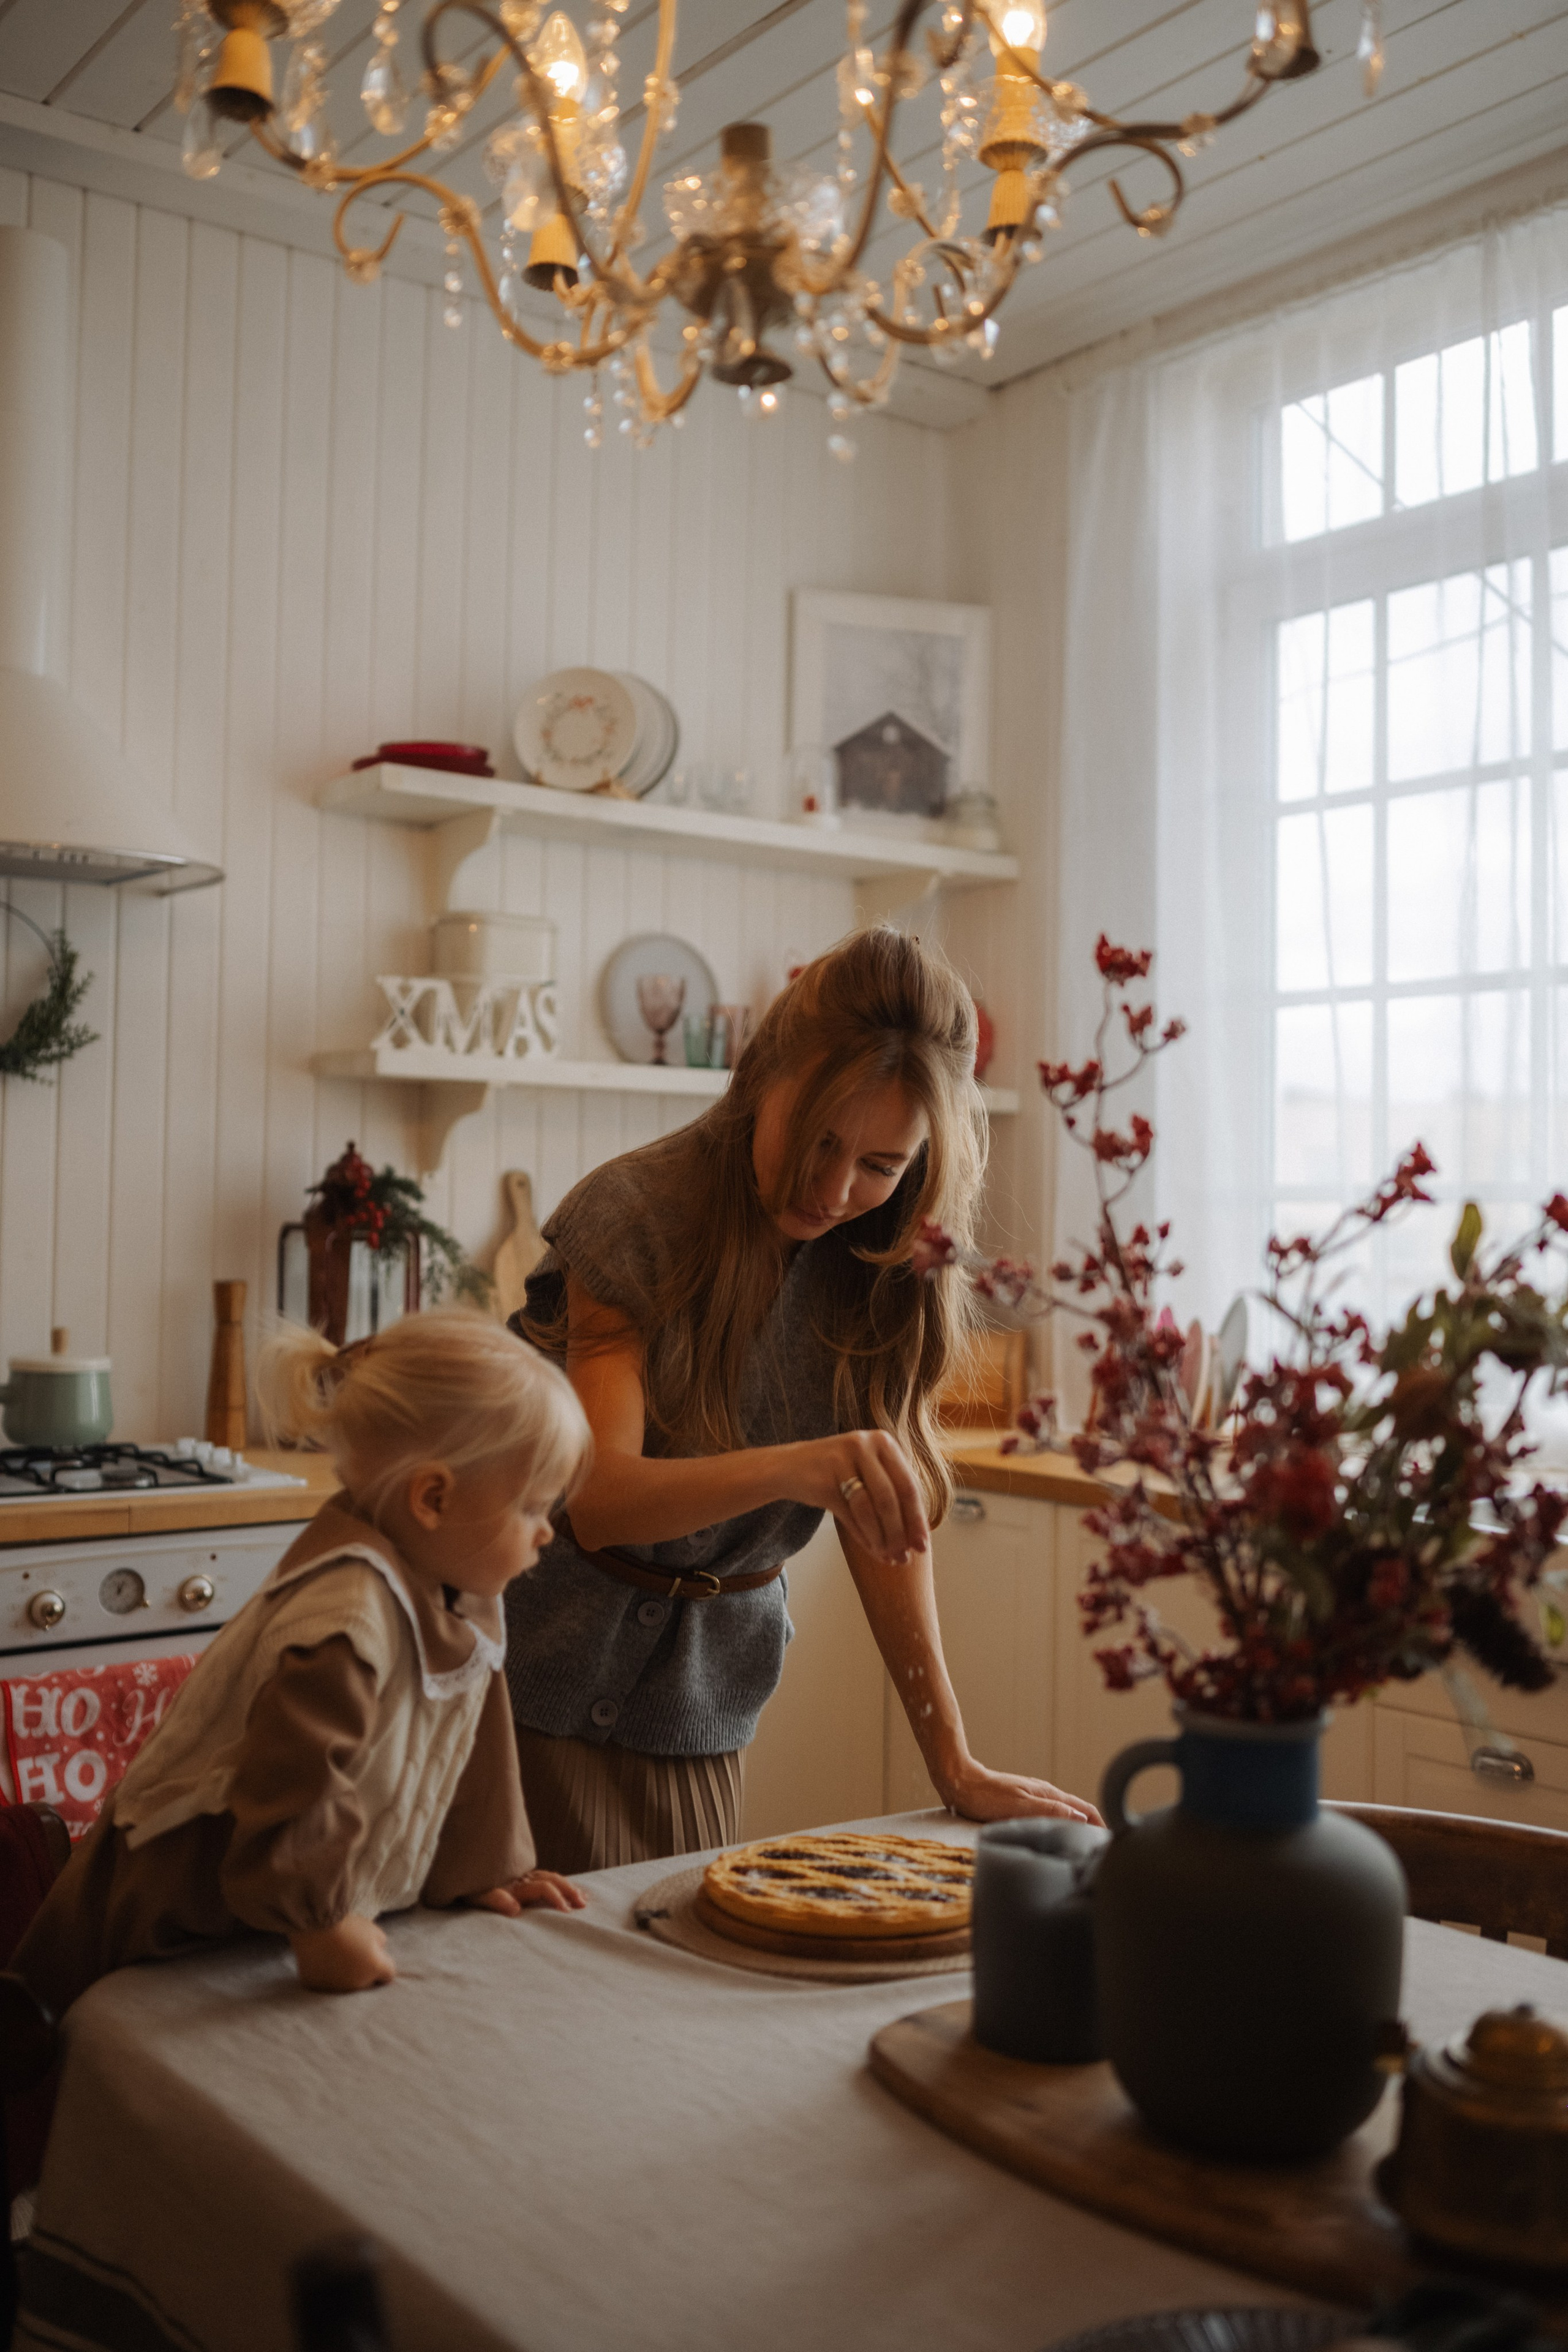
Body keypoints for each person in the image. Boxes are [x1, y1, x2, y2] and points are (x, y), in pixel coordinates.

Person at [506, 925, 1101, 1873]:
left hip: (700, 1714)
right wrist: (809, 1465)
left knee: (672, 2003)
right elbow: (604, 1500)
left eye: (880, 1165)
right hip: (517, 1690)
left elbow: (883, 1521)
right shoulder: (630, 1217)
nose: (832, 1189)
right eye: (820, 1140)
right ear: (763, 1073)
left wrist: (953, 1760)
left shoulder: (889, 1268)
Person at [13, 1312, 590, 2020]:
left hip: (247, 1931)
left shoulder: (458, 1587)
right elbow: (297, 1789)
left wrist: (487, 1870)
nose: (547, 1531)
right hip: (158, 1931)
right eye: (531, 1506)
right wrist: (318, 1928)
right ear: (433, 1498)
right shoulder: (345, 1623)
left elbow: (470, 1745)